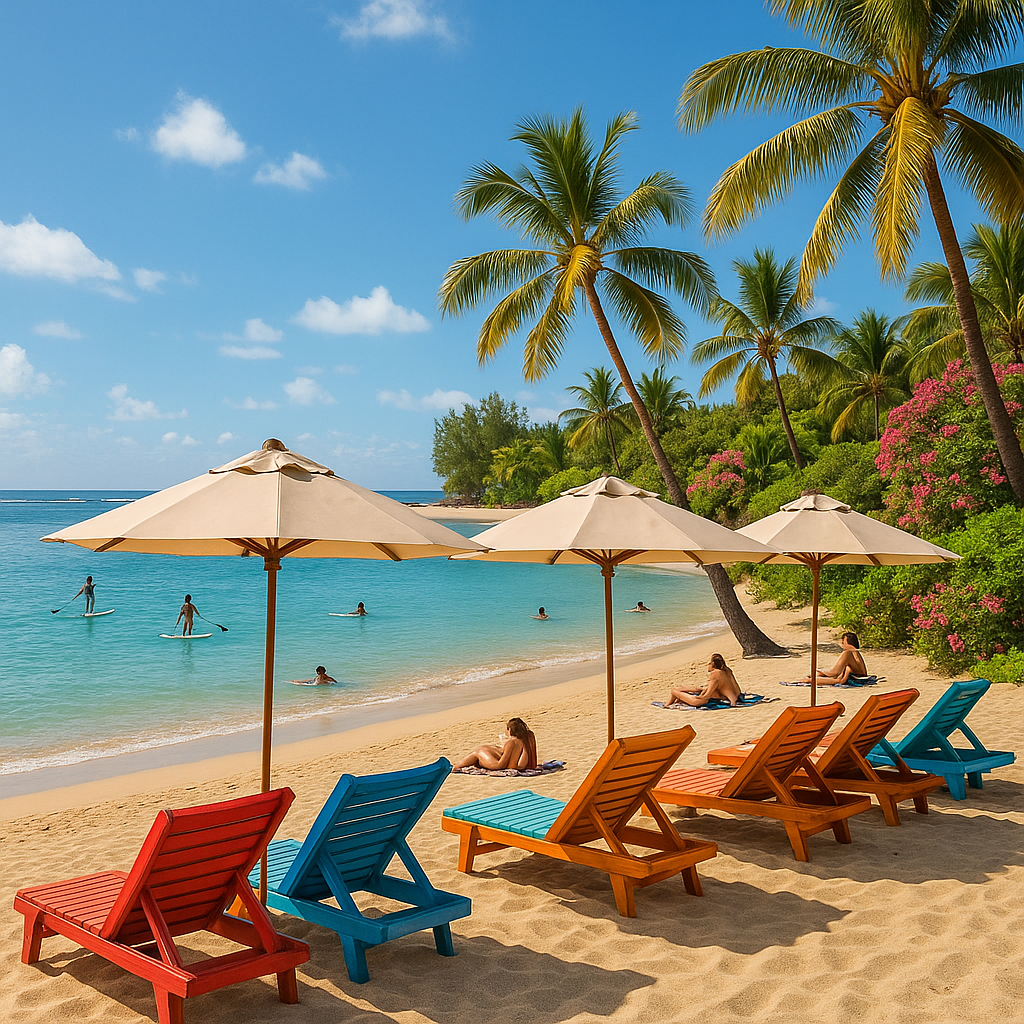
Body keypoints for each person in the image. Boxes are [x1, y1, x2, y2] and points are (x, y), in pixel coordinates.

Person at [454, 717, 538, 771]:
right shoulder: (529, 736)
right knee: (488, 748)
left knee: (478, 752)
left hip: (498, 765)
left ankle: (455, 767)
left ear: (510, 730)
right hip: (527, 765)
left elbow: (505, 764)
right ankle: (459, 764)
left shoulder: (512, 742)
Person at [665, 653, 742, 708]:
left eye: (709, 663)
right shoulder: (727, 670)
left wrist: (699, 697)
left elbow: (707, 695)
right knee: (691, 690)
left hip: (700, 702)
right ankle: (672, 703)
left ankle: (667, 705)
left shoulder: (715, 674)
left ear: (713, 664)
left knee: (674, 691)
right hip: (731, 697)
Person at [798, 631, 868, 685]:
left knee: (846, 653)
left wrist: (811, 680)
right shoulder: (854, 655)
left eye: (843, 642)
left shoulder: (850, 652)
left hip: (849, 675)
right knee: (819, 674)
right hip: (848, 674)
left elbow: (841, 680)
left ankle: (813, 678)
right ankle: (818, 676)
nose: (842, 645)